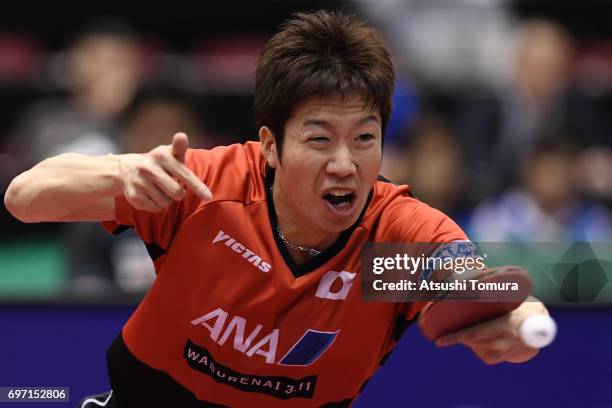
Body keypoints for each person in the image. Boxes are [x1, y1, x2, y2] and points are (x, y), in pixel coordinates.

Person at [4, 10, 548, 408]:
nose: (344, 162)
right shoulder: (204, 189)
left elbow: (473, 284)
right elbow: (24, 199)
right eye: (319, 139)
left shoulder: (387, 251)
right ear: (270, 145)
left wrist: (523, 320)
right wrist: (121, 172)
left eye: (365, 137)